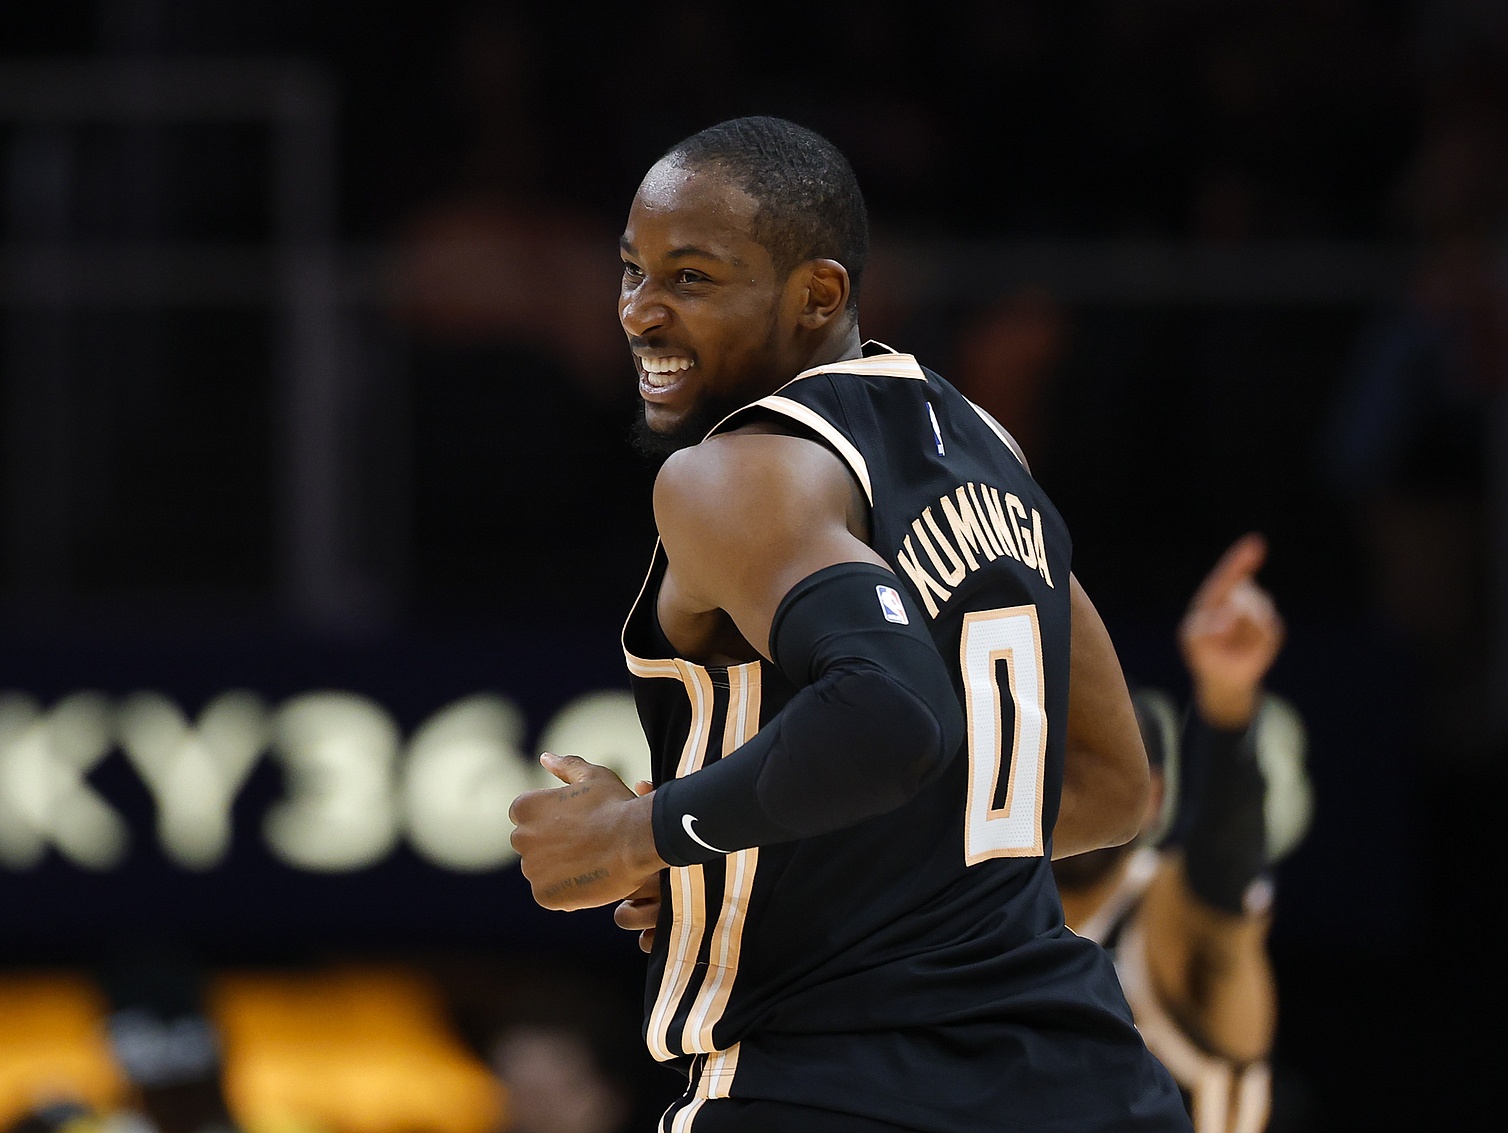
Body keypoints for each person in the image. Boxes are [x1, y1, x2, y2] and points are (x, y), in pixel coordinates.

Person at [508, 115, 1190, 1132]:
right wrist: (745, 860)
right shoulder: (985, 446)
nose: (640, 310)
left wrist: (638, 830)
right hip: (1085, 1084)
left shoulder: (730, 472)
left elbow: (888, 717)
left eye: (690, 277)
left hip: (835, 1081)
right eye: (631, 271)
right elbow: (1108, 785)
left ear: (817, 295)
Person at [1055, 533, 1307, 1133]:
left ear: (1155, 798)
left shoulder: (1166, 920)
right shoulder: (985, 920)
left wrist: (1227, 701)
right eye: (1064, 762)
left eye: (1109, 767)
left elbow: (1224, 871)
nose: (1080, 786)